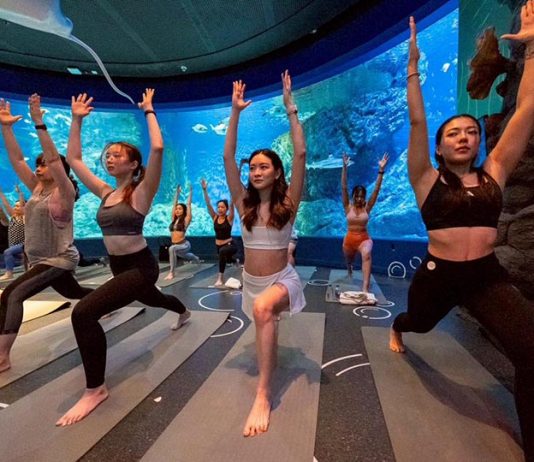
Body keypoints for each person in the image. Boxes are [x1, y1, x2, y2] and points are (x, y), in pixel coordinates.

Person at [389, 10, 534, 460]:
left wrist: (532, 47)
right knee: (419, 322)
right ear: (439, 146)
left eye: (471, 131)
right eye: (453, 133)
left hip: (485, 276)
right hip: (440, 275)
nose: (464, 137)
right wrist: (412, 67)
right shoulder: (426, 179)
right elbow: (417, 122)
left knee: (530, 349)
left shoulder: (495, 172)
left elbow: (527, 109)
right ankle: (397, 327)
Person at [58, 89, 190, 426]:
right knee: (155, 299)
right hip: (119, 268)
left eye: (117, 155)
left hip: (140, 266)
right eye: (109, 155)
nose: (110, 159)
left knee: (83, 313)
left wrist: (149, 110)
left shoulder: (142, 191)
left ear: (133, 164)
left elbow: (157, 148)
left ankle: (95, 389)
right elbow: (74, 160)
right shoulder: (106, 192)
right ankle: (184, 310)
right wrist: (76, 120)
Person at [224, 71, 306, 437]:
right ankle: (266, 363)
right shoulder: (243, 204)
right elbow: (228, 156)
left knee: (262, 311)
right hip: (251, 282)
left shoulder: (288, 203)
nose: (256, 171)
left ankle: (263, 394)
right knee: (261, 318)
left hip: (282, 279)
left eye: (264, 167)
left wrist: (290, 108)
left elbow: (301, 153)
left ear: (276, 173)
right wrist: (235, 112)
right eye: (253, 167)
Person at [0, 94, 92, 373]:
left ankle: (2, 356)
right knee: (75, 292)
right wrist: (6, 128)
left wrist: (39, 122)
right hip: (40, 260)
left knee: (11, 295)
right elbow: (17, 159)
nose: (38, 168)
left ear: (58, 170)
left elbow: (54, 158)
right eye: (37, 164)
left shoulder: (64, 191)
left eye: (44, 165)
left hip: (58, 258)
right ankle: (106, 301)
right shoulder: (37, 188)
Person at [341, 152, 388, 292]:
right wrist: (345, 167)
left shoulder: (367, 207)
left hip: (364, 239)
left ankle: (365, 288)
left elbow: (376, 190)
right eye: (357, 196)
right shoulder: (347, 206)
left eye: (362, 196)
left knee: (366, 255)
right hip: (349, 240)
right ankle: (349, 269)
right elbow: (344, 187)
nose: (359, 199)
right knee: (349, 261)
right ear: (353, 196)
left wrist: (381, 170)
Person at [200, 178, 238, 286]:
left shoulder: (229, 218)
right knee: (227, 259)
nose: (220, 209)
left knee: (222, 253)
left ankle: (220, 278)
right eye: (219, 207)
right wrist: (204, 190)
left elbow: (232, 204)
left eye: (222, 207)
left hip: (230, 245)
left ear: (226, 209)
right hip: (218, 245)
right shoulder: (215, 217)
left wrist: (233, 189)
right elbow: (208, 204)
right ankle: (235, 261)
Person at [164, 183, 200, 280]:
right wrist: (177, 193)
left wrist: (191, 192)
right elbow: (174, 204)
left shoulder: (186, 220)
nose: (177, 210)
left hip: (184, 245)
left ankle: (171, 272)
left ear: (184, 211)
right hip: (177, 247)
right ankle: (195, 258)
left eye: (180, 209)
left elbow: (188, 204)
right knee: (186, 255)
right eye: (176, 209)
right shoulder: (173, 219)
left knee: (171, 249)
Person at [0, 185, 26, 279]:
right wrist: (1, 193)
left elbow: (23, 205)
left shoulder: (25, 218)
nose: (15, 207)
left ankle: (9, 273)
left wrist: (20, 193)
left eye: (18, 206)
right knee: (9, 253)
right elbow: (6, 204)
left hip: (24, 245)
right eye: (15, 206)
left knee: (7, 252)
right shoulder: (13, 218)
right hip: (14, 248)